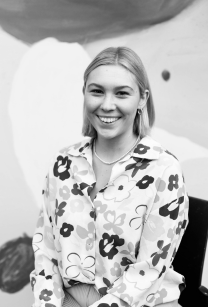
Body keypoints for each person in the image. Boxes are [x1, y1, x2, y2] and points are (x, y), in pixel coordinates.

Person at [30, 47, 189, 307]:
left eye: (122, 93)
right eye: (97, 91)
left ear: (141, 99)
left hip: (141, 302)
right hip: (70, 299)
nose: (107, 104)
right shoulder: (62, 163)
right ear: (85, 94)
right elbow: (45, 253)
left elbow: (149, 269)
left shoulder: (163, 169)